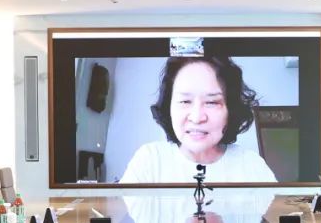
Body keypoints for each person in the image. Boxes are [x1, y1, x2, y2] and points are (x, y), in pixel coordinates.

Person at [119, 54, 277, 183]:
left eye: (211, 102)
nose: (196, 118)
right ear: (169, 107)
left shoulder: (252, 166)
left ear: (230, 110)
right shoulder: (149, 161)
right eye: (185, 101)